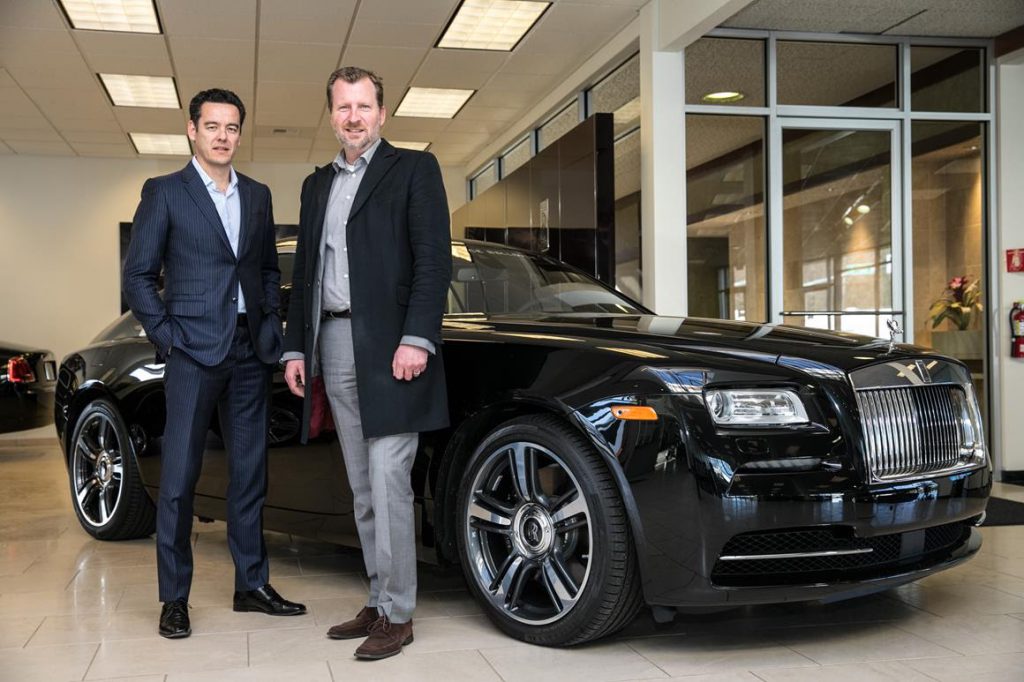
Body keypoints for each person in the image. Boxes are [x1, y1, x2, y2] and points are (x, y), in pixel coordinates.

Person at [123, 88, 306, 640]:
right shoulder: (165, 193)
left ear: (239, 134)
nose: (223, 135)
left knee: (251, 474)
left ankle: (251, 585)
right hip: (193, 354)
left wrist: (270, 319)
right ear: (192, 130)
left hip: (251, 352)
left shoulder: (258, 194)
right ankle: (174, 598)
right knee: (179, 478)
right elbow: (138, 275)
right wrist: (168, 335)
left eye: (232, 127)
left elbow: (268, 270)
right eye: (213, 126)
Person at [281, 66, 451, 660]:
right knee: (361, 486)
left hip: (392, 349)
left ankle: (399, 613)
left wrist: (416, 339)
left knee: (388, 480)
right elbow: (306, 273)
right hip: (333, 343)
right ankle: (378, 599)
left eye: (364, 106)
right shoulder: (314, 186)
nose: (353, 117)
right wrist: (297, 347)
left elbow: (433, 264)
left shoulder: (414, 171)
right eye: (342, 107)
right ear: (331, 115)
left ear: (382, 113)